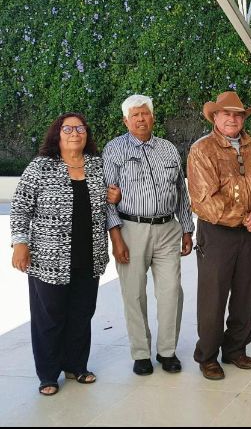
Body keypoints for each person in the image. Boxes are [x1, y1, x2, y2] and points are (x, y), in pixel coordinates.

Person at [10, 113, 112, 395]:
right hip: (48, 259)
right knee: (50, 317)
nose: (75, 133)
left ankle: (77, 366)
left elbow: (106, 201)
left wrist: (110, 196)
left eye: (80, 128)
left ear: (86, 135)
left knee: (81, 313)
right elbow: (20, 207)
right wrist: (20, 242)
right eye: (68, 129)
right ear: (57, 134)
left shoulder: (96, 165)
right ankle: (48, 375)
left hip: (88, 256)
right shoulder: (40, 167)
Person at [102, 94, 195, 376]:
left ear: (152, 117)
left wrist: (187, 229)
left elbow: (181, 192)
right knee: (134, 294)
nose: (140, 119)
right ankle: (141, 353)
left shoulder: (168, 149)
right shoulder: (114, 149)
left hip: (168, 230)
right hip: (131, 229)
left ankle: (167, 352)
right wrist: (116, 238)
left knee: (171, 292)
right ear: (125, 120)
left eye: (144, 113)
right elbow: (107, 197)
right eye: (134, 115)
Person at [187, 91, 251, 380]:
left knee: (246, 293)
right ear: (215, 116)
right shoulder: (202, 150)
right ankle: (208, 355)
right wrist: (243, 217)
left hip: (250, 232)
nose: (233, 119)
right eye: (227, 113)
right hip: (217, 233)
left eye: (238, 114)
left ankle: (236, 348)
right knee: (213, 296)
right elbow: (203, 199)